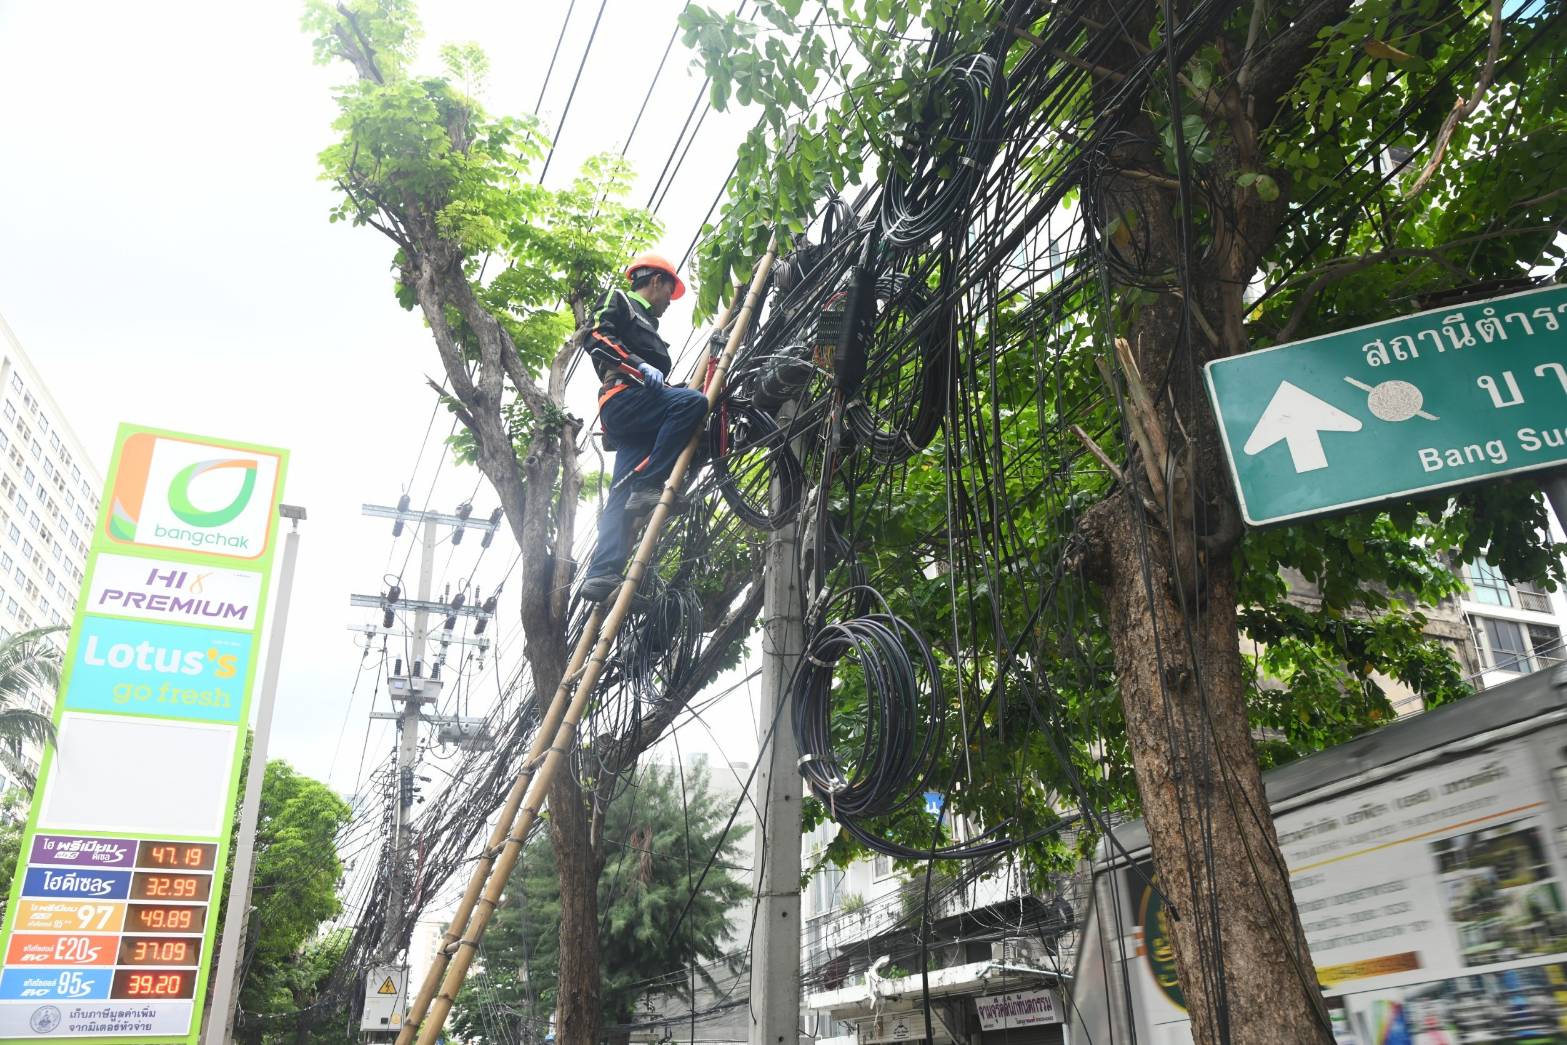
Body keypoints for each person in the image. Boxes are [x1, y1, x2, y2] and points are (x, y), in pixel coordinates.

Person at [577, 254, 708, 603]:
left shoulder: (650, 327)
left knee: (621, 493)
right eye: (669, 291)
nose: (669, 301)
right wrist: (638, 366)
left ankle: (602, 573)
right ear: (655, 282)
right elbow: (594, 337)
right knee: (693, 403)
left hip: (638, 413)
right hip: (622, 399)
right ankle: (650, 484)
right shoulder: (618, 301)